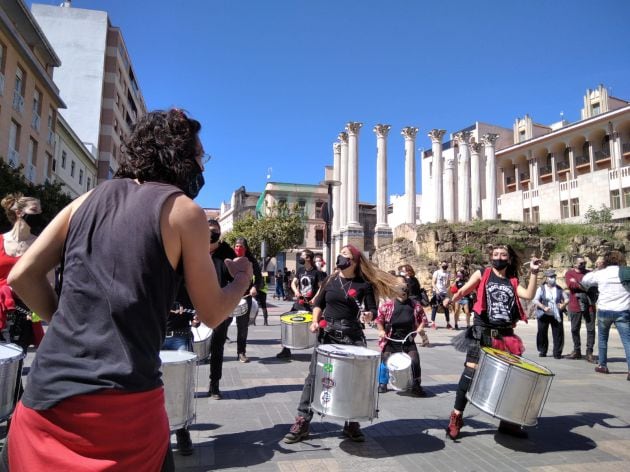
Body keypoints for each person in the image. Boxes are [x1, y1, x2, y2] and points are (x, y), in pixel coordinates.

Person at [4, 109, 253, 471]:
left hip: (45, 401)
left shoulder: (84, 201)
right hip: (122, 413)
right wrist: (241, 280)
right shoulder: (184, 211)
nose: (202, 166)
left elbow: (22, 275)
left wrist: (65, 322)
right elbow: (213, 312)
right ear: (177, 156)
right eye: (199, 156)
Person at [283, 244, 400, 444]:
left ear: (354, 261)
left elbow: (371, 310)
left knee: (352, 381)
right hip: (327, 334)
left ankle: (352, 423)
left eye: (345, 255)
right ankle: (302, 420)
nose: (340, 257)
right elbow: (319, 303)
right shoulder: (330, 280)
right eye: (340, 254)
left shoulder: (364, 284)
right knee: (314, 377)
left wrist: (368, 315)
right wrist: (314, 322)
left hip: (352, 335)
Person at [445, 245, 541, 440]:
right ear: (491, 257)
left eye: (503, 255)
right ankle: (456, 417)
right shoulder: (483, 273)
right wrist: (453, 297)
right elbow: (465, 289)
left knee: (511, 378)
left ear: (509, 259)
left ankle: (507, 422)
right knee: (470, 373)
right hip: (483, 331)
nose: (499, 257)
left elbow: (529, 295)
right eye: (495, 254)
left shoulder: (512, 281)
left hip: (506, 335)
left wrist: (533, 272)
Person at [0, 194, 45, 352]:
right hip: (0, 307)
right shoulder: (0, 241)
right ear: (19, 212)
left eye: (40, 210)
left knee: (14, 366)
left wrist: (39, 309)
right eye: (34, 210)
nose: (39, 214)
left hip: (23, 312)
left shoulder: (40, 244)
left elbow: (47, 281)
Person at [581, 250, 630, 380]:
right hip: (622, 310)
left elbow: (585, 280)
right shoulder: (626, 272)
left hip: (604, 311)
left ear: (605, 261)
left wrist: (598, 268)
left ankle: (603, 365)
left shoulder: (601, 274)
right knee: (627, 341)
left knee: (603, 340)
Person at [376, 275, 428, 396]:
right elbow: (379, 319)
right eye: (399, 286)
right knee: (385, 358)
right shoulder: (387, 305)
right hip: (391, 338)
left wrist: (420, 329)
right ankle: (382, 383)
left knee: (415, 360)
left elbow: (423, 319)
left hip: (408, 339)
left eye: (404, 286)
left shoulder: (415, 305)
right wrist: (381, 330)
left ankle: (416, 384)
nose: (402, 289)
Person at [162, 284, 198, 456]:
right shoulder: (155, 273)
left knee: (182, 388)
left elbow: (197, 309)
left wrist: (196, 318)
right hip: (156, 336)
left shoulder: (187, 275)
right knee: (157, 388)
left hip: (181, 335)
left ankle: (183, 433)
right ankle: (161, 436)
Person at [276, 249, 326, 360]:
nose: (301, 258)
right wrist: (296, 291)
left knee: (318, 326)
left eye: (302, 256)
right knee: (287, 321)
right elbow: (294, 282)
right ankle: (286, 349)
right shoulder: (300, 270)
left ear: (308, 258)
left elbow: (321, 287)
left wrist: (315, 298)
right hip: (300, 302)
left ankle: (320, 351)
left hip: (312, 304)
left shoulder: (317, 273)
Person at [207, 219, 236, 399]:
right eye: (209, 230)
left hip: (220, 305)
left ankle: (214, 384)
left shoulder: (227, 252)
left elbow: (237, 277)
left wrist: (230, 302)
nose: (212, 233)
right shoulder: (195, 248)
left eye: (215, 230)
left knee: (217, 347)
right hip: (193, 304)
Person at [234, 237, 262, 363]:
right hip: (228, 297)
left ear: (246, 248)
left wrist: (255, 287)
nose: (238, 248)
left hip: (245, 297)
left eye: (241, 246)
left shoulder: (251, 260)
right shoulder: (228, 258)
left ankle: (241, 352)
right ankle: (216, 351)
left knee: (242, 327)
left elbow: (259, 277)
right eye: (236, 246)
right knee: (221, 326)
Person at [565, 255, 597, 362]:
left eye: (584, 263)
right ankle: (577, 350)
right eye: (581, 263)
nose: (583, 265)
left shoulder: (589, 273)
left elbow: (594, 286)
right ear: (575, 264)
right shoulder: (569, 273)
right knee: (574, 329)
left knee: (591, 329)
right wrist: (584, 285)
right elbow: (571, 285)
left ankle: (589, 352)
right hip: (575, 305)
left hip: (589, 304)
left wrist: (579, 284)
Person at [533, 270, 567, 359]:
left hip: (556, 314)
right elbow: (535, 300)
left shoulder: (559, 289)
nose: (553, 278)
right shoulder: (541, 288)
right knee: (542, 332)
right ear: (546, 278)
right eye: (551, 277)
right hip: (543, 314)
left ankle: (557, 352)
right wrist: (543, 307)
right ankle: (542, 351)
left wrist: (563, 305)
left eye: (554, 277)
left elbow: (567, 299)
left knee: (558, 333)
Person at [431, 260, 453, 329]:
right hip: (437, 291)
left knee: (446, 307)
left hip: (444, 292)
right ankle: (433, 323)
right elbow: (433, 282)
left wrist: (447, 288)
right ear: (441, 265)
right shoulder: (437, 272)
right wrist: (437, 290)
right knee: (435, 307)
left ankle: (448, 323)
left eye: (446, 265)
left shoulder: (448, 274)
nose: (445, 266)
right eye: (444, 265)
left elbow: (448, 284)